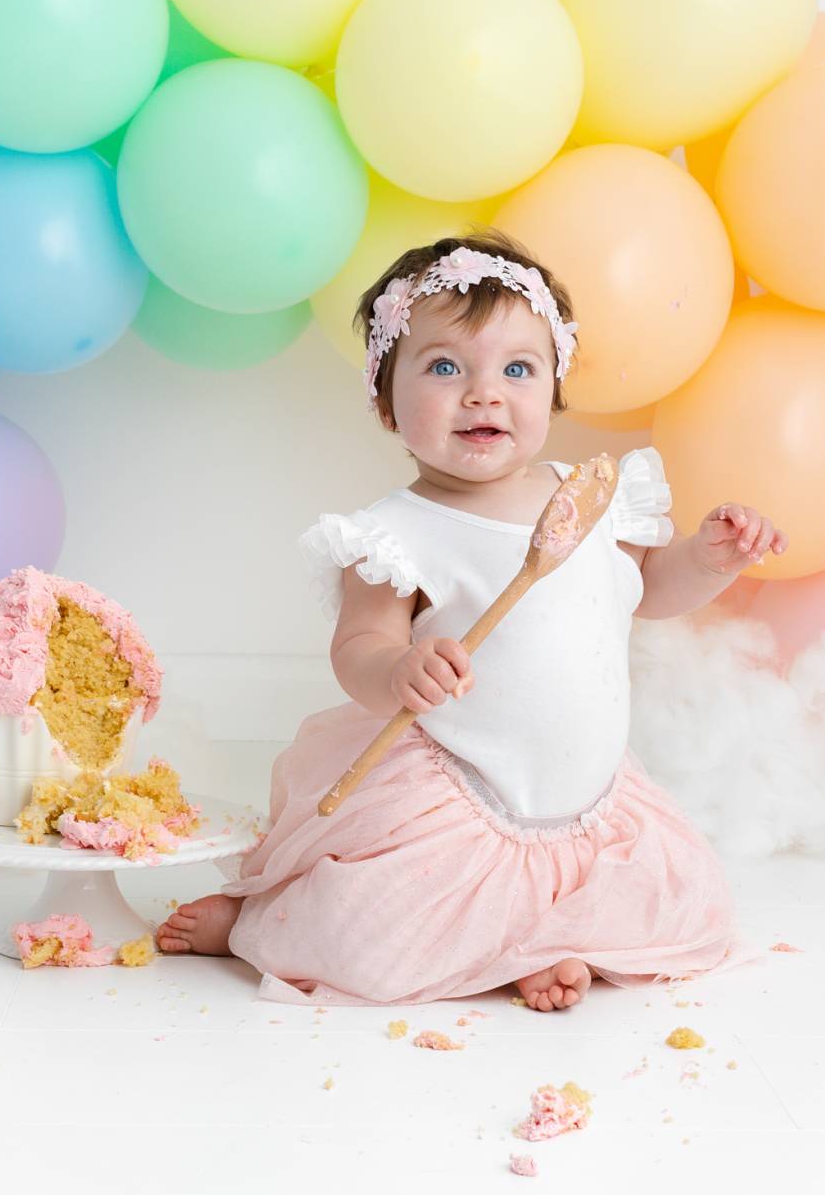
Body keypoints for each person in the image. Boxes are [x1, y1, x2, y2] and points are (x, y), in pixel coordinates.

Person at [156, 229, 786, 1010]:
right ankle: (257, 921)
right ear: (387, 401)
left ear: (553, 389)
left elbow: (648, 590)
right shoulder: (398, 533)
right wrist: (396, 671)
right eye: (446, 367)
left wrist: (708, 561)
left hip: (590, 798)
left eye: (517, 369)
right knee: (365, 937)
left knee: (690, 909)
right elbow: (360, 645)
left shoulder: (587, 499)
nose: (485, 393)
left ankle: (532, 946)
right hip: (459, 799)